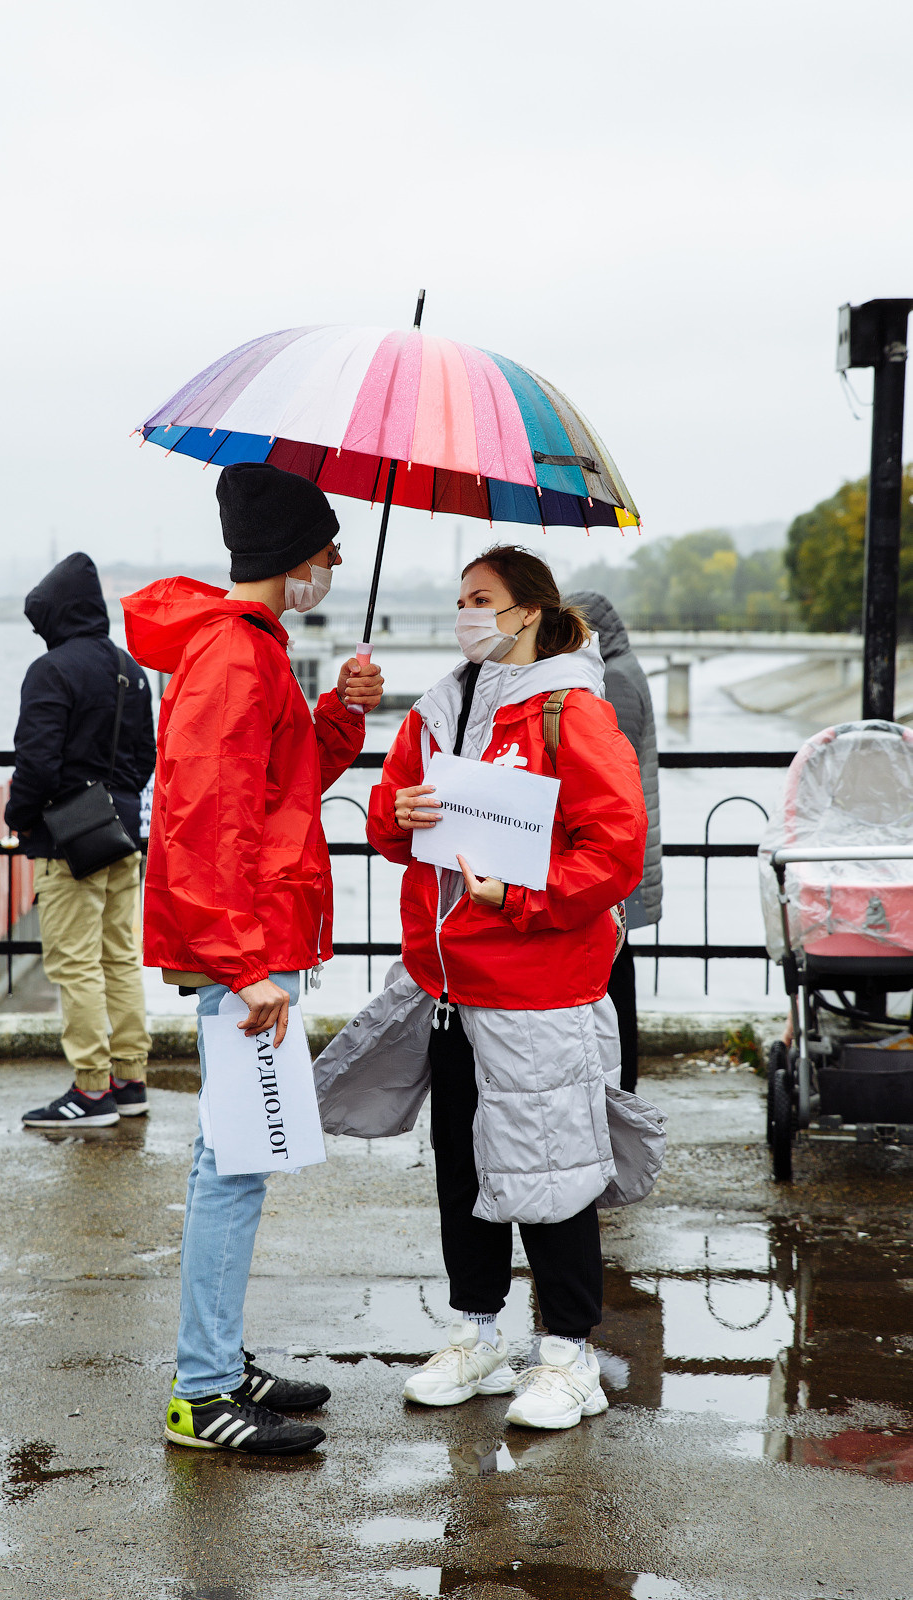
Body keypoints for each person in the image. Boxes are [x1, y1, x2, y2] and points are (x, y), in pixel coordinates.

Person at [317, 544, 654, 1432]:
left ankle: (569, 1356)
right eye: (460, 597)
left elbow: (614, 850)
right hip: (447, 990)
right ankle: (476, 1334)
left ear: (531, 613)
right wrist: (400, 814)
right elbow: (388, 822)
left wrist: (524, 899)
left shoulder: (570, 712)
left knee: (550, 1173)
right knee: (464, 1170)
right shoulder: (436, 711)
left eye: (483, 598)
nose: (467, 612)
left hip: (539, 988)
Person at [123, 462, 383, 1457]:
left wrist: (343, 712)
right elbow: (196, 823)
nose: (333, 563)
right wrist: (244, 966)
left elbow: (282, 788)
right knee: (234, 1166)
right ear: (291, 556)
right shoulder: (235, 656)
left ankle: (217, 1360)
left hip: (252, 951)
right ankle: (201, 1389)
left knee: (231, 1159)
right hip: (247, 960)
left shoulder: (251, 649)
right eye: (327, 548)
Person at [6, 552, 156, 1130]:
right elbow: (144, 756)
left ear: (55, 614)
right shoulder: (130, 669)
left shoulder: (51, 671)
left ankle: (91, 1091)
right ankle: (129, 1079)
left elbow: (36, 764)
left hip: (68, 841)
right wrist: (114, 800)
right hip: (122, 836)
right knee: (119, 959)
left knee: (75, 965)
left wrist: (21, 817)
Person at [566, 590, 661, 1092]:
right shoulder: (621, 669)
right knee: (616, 978)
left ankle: (621, 1090)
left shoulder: (615, 680)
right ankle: (619, 1086)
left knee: (615, 984)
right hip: (626, 859)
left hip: (618, 866)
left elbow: (606, 776)